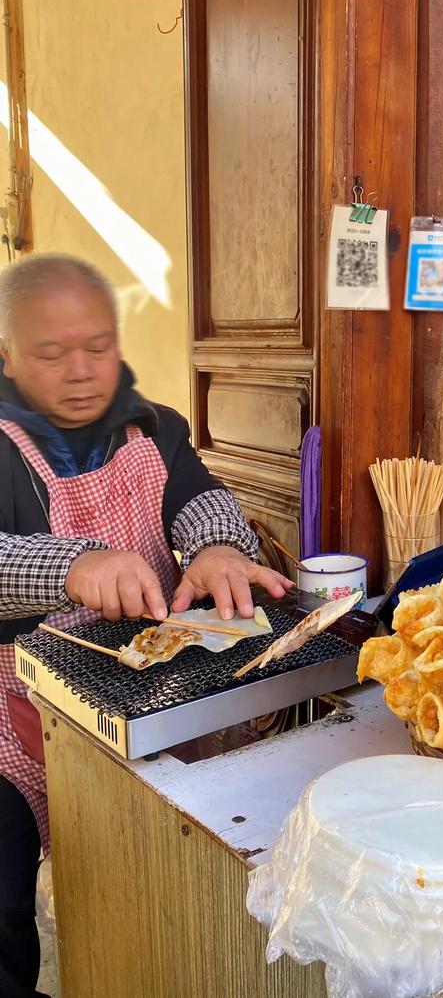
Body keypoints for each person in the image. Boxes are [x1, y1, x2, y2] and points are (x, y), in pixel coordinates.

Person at [0, 253, 294, 997]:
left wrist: (219, 547)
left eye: (98, 348)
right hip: (18, 725)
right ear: (8, 356)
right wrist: (72, 565)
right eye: (51, 353)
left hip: (149, 703)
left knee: (161, 881)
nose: (80, 372)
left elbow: (199, 497)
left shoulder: (151, 430)